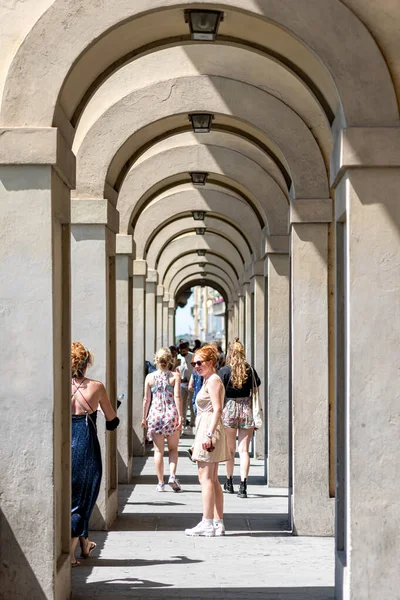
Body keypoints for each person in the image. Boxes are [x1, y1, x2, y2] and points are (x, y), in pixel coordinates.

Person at [71, 342, 119, 567]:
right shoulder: (96, 387)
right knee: (83, 495)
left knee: (71, 493)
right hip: (85, 442)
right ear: (86, 363)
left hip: (63, 440)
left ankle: (85, 543)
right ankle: (69, 555)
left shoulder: (59, 384)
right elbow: (112, 421)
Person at [185, 345, 230, 537]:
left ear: (210, 362)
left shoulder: (212, 380)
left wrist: (208, 435)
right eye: (193, 363)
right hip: (207, 428)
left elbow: (218, 408)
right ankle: (217, 522)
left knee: (205, 478)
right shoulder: (208, 379)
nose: (196, 366)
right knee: (212, 479)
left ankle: (207, 522)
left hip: (209, 429)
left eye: (199, 362)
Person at [219, 338, 261, 499]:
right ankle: (243, 486)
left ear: (230, 353)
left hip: (229, 409)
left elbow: (219, 393)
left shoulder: (224, 371)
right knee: (244, 450)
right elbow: (256, 390)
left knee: (230, 449)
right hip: (246, 408)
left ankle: (229, 481)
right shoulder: (249, 370)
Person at [142, 347, 182, 492]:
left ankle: (160, 483)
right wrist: (181, 416)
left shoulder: (149, 378)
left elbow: (146, 399)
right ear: (170, 360)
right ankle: (172, 476)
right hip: (171, 415)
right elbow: (177, 397)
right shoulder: (175, 376)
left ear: (156, 361)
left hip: (155, 415)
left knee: (158, 451)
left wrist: (143, 417)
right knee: (173, 449)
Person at [177, 342, 195, 434]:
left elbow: (195, 370)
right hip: (182, 385)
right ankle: (183, 425)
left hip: (191, 385)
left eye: (184, 350)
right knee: (182, 405)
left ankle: (191, 425)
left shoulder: (192, 357)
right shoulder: (178, 357)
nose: (182, 352)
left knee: (192, 405)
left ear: (187, 349)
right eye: (181, 350)